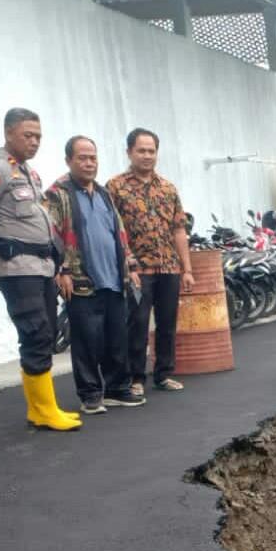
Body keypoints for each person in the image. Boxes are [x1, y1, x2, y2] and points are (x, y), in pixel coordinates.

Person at [0, 107, 81, 431]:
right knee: (35, 331)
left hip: (40, 266)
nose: (34, 142)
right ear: (8, 133)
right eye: (27, 135)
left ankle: (43, 407)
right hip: (16, 266)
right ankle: (42, 410)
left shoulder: (28, 173)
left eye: (38, 137)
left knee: (46, 333)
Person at [44, 136, 146, 413]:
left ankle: (117, 389)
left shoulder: (103, 194)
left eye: (93, 158)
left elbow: (119, 232)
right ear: (69, 160)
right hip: (80, 280)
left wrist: (131, 266)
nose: (89, 163)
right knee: (86, 340)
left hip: (113, 277)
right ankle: (90, 394)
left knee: (117, 338)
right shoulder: (57, 194)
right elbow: (50, 236)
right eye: (82, 158)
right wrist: (61, 270)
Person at [106, 128, 193, 396]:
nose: (147, 156)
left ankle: (164, 374)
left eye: (151, 151)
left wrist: (187, 269)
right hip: (137, 269)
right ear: (129, 152)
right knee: (138, 323)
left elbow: (179, 230)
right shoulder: (115, 187)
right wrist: (123, 264)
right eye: (141, 151)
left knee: (167, 323)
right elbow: (111, 230)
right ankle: (135, 378)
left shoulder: (168, 188)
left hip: (168, 267)